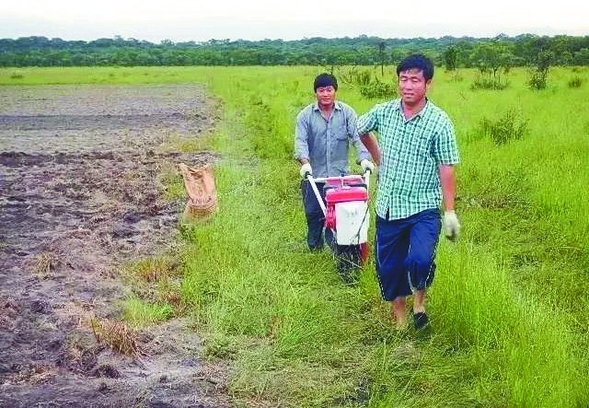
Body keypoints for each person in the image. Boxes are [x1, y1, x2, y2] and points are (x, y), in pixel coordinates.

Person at [357, 54, 461, 331]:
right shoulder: (385, 112)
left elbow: (447, 166)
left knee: (420, 259)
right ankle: (401, 321)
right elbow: (360, 128)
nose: (408, 85)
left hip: (423, 207)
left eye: (415, 80)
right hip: (389, 206)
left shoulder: (439, 122)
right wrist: (378, 156)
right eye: (403, 79)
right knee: (389, 269)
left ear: (428, 83)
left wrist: (449, 211)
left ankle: (419, 304)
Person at [294, 72, 374, 264]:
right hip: (315, 177)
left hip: (340, 178)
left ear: (335, 91)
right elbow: (300, 142)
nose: (325, 94)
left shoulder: (347, 113)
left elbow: (358, 137)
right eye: (321, 90)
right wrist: (305, 164)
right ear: (316, 93)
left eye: (329, 90)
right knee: (314, 215)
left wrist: (364, 159)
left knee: (340, 217)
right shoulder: (305, 116)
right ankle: (314, 249)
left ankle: (342, 251)